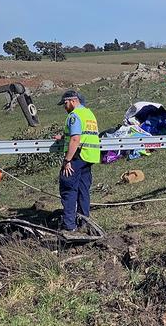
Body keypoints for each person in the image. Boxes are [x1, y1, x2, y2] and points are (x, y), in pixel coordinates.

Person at [53, 90, 100, 231]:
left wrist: (67, 160)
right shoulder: (88, 114)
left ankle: (69, 226)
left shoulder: (74, 116)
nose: (64, 107)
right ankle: (84, 222)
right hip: (89, 156)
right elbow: (83, 134)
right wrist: (63, 137)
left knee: (68, 189)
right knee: (83, 190)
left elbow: (75, 139)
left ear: (73, 101)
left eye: (65, 103)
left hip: (77, 156)